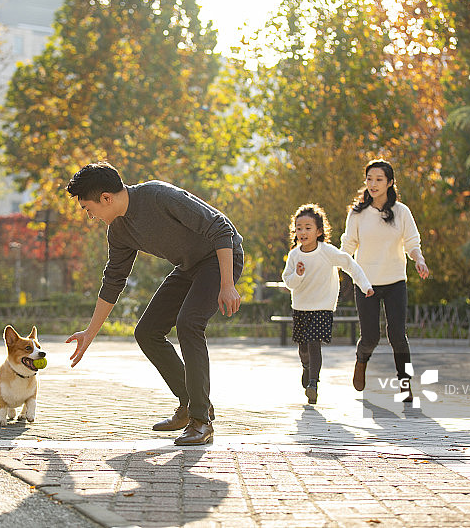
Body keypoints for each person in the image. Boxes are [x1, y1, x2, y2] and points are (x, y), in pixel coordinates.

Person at [64, 161, 244, 445]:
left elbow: (221, 228)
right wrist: (90, 333)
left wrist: (227, 284)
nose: (91, 216)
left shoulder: (159, 196)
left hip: (220, 258)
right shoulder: (119, 231)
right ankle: (190, 404)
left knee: (189, 323)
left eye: (88, 208)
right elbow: (113, 281)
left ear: (106, 198)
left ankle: (201, 421)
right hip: (189, 267)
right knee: (147, 332)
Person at [340, 159, 430, 401]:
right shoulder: (357, 214)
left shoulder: (402, 212)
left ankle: (405, 384)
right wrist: (334, 264)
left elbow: (412, 242)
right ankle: (361, 361)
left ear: (390, 183)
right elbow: (348, 246)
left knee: (398, 336)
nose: (373, 184)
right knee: (370, 337)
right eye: (369, 179)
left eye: (379, 179)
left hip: (395, 282)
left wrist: (419, 260)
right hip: (365, 283)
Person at [282, 204, 373, 404]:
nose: (303, 232)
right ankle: (306, 367)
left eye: (308, 228)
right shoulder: (294, 255)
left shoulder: (328, 252)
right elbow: (288, 282)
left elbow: (350, 265)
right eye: (299, 228)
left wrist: (365, 285)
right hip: (301, 307)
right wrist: (298, 274)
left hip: (323, 307)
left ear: (319, 231)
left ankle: (313, 383)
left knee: (314, 344)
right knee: (303, 348)